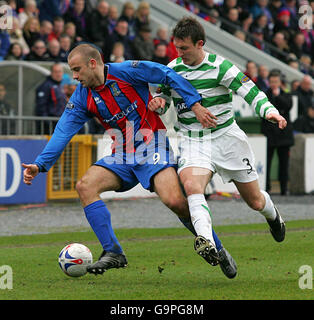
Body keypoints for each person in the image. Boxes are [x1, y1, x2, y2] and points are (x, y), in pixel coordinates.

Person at [22, 43, 236, 278]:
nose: (74, 77)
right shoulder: (82, 97)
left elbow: (166, 73)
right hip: (122, 154)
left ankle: (217, 247)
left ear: (93, 63)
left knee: (175, 201)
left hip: (153, 145)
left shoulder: (127, 71)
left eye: (77, 69)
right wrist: (40, 164)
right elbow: (63, 130)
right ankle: (113, 252)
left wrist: (194, 103)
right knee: (85, 186)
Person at [149, 17, 287, 266]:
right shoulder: (172, 68)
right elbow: (163, 98)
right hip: (193, 140)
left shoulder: (221, 66)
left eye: (184, 48)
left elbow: (251, 91)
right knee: (191, 185)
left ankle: (273, 215)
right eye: (176, 47)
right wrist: (159, 103)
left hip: (226, 138)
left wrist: (269, 112)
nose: (179, 53)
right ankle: (207, 242)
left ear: (200, 43)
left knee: (254, 201)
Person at [261, 71, 294, 195]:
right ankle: (267, 187)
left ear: (280, 82)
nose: (274, 84)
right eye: (272, 82)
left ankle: (284, 188)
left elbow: (288, 106)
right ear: (269, 82)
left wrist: (278, 96)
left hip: (283, 135)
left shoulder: (286, 94)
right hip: (269, 135)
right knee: (267, 162)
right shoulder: (264, 95)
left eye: (276, 82)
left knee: (284, 163)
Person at [35, 62, 67, 134]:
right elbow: (41, 107)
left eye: (60, 72)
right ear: (51, 73)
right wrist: (48, 123)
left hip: (59, 124)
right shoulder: (45, 86)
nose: (58, 74)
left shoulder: (59, 86)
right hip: (50, 126)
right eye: (56, 72)